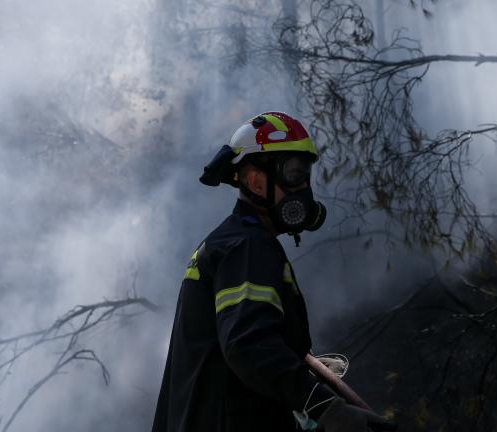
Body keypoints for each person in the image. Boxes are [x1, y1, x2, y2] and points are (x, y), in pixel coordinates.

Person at [152, 112, 388, 432]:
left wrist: (292, 366)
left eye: (305, 175)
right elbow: (248, 345)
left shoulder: (223, 243)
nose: (303, 188)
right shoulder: (249, 247)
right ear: (255, 181)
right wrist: (327, 408)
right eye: (293, 174)